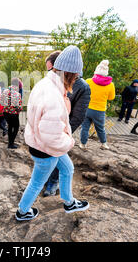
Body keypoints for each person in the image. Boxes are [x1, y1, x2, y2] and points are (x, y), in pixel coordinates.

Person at [16, 45, 90, 221]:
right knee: (37, 182)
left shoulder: (46, 83)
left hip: (41, 143)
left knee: (68, 168)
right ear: (70, 74)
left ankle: (69, 201)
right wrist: (69, 143)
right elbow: (51, 135)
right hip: (46, 149)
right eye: (76, 76)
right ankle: (22, 211)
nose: (77, 79)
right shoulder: (54, 96)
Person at [42, 50, 91, 197]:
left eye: (51, 69)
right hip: (48, 127)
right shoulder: (54, 81)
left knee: (59, 157)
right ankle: (45, 179)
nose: (50, 72)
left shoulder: (82, 87)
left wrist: (63, 131)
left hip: (63, 129)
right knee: (46, 155)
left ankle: (53, 183)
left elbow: (79, 116)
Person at [79, 60, 115, 150]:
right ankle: (104, 144)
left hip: (87, 109)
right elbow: (111, 97)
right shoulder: (110, 85)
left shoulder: (88, 81)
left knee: (85, 128)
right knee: (100, 129)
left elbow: (83, 93)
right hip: (100, 110)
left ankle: (83, 144)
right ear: (106, 72)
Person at [1, 78, 23, 149]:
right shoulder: (17, 94)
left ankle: (10, 144)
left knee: (10, 126)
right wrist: (19, 109)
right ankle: (11, 143)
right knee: (16, 127)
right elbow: (18, 107)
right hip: (13, 114)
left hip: (5, 113)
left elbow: (2, 102)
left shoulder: (5, 91)